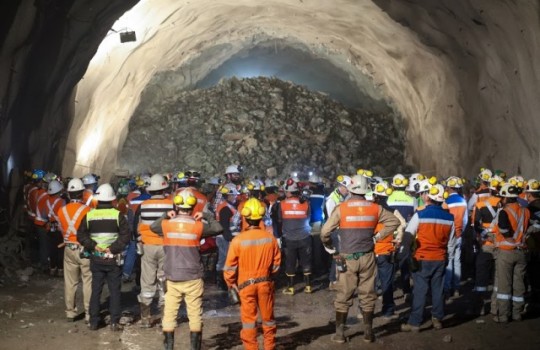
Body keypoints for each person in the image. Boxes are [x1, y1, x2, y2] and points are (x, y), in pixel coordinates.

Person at [321, 175, 400, 343]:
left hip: (347, 258)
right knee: (368, 294)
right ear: (366, 190)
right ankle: (368, 333)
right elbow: (393, 222)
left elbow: (324, 232)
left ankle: (340, 334)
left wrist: (330, 247)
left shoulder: (341, 208)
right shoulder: (375, 208)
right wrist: (377, 237)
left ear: (350, 189)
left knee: (344, 295)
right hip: (368, 257)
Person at [150, 189, 223, 350]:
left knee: (169, 314)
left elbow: (153, 228)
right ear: (193, 207)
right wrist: (206, 216)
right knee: (195, 314)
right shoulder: (198, 227)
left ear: (176, 206)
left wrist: (165, 215)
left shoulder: (167, 225)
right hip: (193, 276)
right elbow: (218, 229)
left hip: (172, 276)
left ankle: (169, 347)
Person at [224, 198, 281, 350]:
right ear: (261, 217)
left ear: (245, 218)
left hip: (245, 285)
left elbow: (229, 268)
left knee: (249, 322)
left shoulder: (238, 240)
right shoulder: (270, 238)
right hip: (265, 283)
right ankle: (269, 347)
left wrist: (231, 284)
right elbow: (276, 265)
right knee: (268, 320)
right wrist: (270, 276)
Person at [401, 184, 455, 332]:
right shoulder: (450, 218)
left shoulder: (420, 214)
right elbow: (451, 243)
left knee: (420, 291)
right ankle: (437, 319)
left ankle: (415, 323)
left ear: (428, 197)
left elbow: (408, 235)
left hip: (422, 258)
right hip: (440, 259)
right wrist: (447, 258)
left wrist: (403, 253)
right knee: (438, 290)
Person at [77, 183, 130, 331]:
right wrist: (112, 248)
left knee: (96, 289)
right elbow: (126, 236)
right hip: (113, 258)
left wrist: (93, 246)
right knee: (114, 290)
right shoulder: (118, 215)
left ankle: (94, 321)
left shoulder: (89, 215)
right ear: (113, 199)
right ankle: (114, 321)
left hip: (96, 258)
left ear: (97, 200)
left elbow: (81, 235)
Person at [134, 174, 174, 328]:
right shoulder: (171, 205)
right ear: (165, 188)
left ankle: (146, 318)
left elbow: (135, 227)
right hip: (166, 246)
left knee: (147, 280)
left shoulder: (142, 205)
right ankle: (165, 317)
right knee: (164, 279)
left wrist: (138, 240)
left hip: (148, 247)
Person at [493, 183, 530, 323]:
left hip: (506, 252)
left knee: (504, 285)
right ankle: (517, 313)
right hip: (521, 251)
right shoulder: (525, 211)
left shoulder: (504, 212)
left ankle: (503, 315)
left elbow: (503, 229)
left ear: (507, 198)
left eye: (503, 197)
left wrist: (510, 238)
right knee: (519, 283)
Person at [57, 178, 92, 322]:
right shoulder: (88, 210)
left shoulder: (61, 210)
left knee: (70, 282)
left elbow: (61, 229)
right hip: (84, 249)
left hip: (69, 248)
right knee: (88, 280)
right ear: (82, 193)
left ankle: (70, 312)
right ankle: (89, 312)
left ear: (69, 194)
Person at [372, 181, 406, 319]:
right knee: (387, 283)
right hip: (387, 251)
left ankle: (364, 311)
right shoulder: (393, 212)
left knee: (367, 283)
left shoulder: (370, 211)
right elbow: (402, 224)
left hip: (371, 251)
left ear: (375, 196)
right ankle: (388, 311)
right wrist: (397, 240)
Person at [471, 176, 502, 315]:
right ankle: (496, 307)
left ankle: (481, 307)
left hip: (485, 245)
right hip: (501, 246)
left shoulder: (480, 205)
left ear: (490, 189)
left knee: (481, 276)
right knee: (498, 278)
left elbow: (476, 226)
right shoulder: (506, 206)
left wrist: (482, 237)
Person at [278, 179, 313, 295]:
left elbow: (279, 220)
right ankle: (308, 286)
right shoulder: (306, 203)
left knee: (290, 262)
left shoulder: (282, 204)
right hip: (305, 237)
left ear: (288, 192)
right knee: (306, 261)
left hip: (289, 239)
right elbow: (309, 218)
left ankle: (291, 288)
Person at [443, 176, 468, 299]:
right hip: (459, 234)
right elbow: (465, 220)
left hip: (449, 236)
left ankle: (447, 288)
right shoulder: (463, 200)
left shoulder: (446, 202)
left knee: (449, 262)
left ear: (449, 187)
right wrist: (460, 231)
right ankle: (457, 287)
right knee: (457, 261)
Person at [325, 175, 351, 289]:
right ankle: (333, 281)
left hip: (344, 230)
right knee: (338, 256)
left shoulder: (345, 196)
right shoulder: (332, 199)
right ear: (341, 187)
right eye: (347, 188)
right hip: (336, 230)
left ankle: (339, 279)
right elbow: (333, 217)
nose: (349, 190)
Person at [215, 183, 241, 290]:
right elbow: (225, 227)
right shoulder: (225, 208)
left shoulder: (227, 206)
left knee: (224, 260)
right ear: (228, 195)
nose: (235, 197)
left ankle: (223, 281)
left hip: (225, 238)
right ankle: (222, 281)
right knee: (224, 260)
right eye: (234, 195)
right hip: (224, 239)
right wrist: (231, 239)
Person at [44, 179, 67, 276]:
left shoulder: (46, 201)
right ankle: (61, 269)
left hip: (50, 227)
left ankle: (52, 268)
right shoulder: (62, 201)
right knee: (60, 248)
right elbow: (64, 215)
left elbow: (45, 215)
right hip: (59, 228)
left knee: (52, 248)